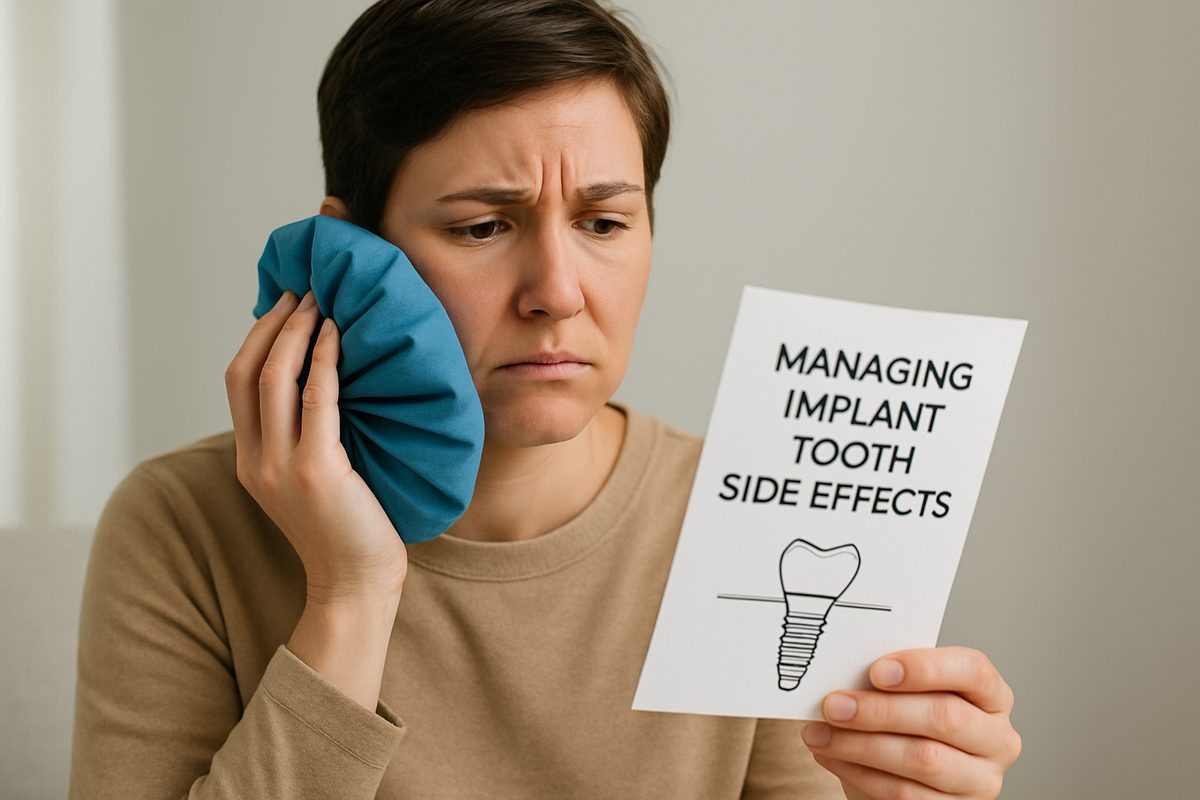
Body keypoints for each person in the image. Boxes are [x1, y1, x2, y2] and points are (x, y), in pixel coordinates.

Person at [69, 1, 1021, 798]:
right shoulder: (183, 526)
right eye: (485, 225)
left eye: (604, 221)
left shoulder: (757, 523)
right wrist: (350, 594)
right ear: (349, 258)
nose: (558, 291)